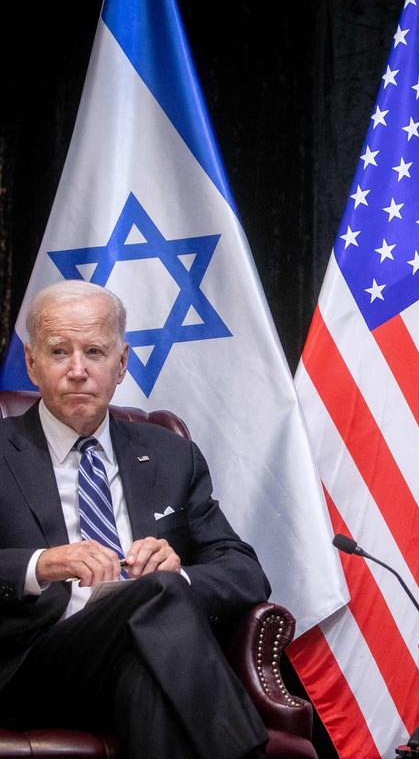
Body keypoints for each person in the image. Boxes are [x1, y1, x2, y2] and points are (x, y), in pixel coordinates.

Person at [0, 280, 270, 758]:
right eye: (60, 352)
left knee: (145, 668)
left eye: (95, 352)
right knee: (160, 595)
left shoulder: (170, 454)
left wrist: (179, 573)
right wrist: (41, 564)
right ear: (31, 364)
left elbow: (245, 571)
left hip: (138, 661)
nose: (78, 371)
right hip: (32, 668)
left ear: (121, 364)